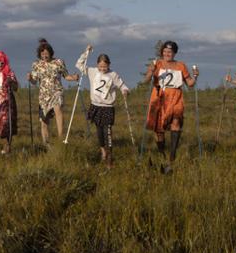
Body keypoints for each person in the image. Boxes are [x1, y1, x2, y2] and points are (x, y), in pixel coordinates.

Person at [142, 40, 198, 174]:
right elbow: (146, 80)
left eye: (170, 52)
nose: (167, 54)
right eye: (165, 51)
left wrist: (195, 75)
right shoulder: (157, 63)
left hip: (176, 97)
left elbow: (190, 83)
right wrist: (150, 71)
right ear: (162, 52)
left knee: (176, 122)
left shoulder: (180, 65)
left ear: (174, 53)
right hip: (159, 96)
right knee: (159, 129)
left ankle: (172, 156)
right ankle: (162, 153)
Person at [76, 45, 130, 167]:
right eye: (100, 66)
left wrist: (125, 91)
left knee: (108, 132)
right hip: (95, 106)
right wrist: (86, 52)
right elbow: (79, 65)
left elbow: (122, 85)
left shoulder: (113, 74)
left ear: (109, 65)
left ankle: (110, 157)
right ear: (97, 65)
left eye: (105, 66)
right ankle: (103, 151)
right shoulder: (92, 71)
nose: (102, 69)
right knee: (99, 131)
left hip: (108, 108)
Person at [26, 39, 79, 147]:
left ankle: (61, 138)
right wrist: (30, 78)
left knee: (58, 109)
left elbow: (66, 76)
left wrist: (74, 78)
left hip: (56, 91)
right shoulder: (36, 65)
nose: (45, 56)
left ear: (50, 53)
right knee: (44, 121)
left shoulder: (58, 62)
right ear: (40, 54)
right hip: (44, 96)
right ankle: (46, 144)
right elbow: (34, 81)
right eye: (42, 54)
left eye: (46, 53)